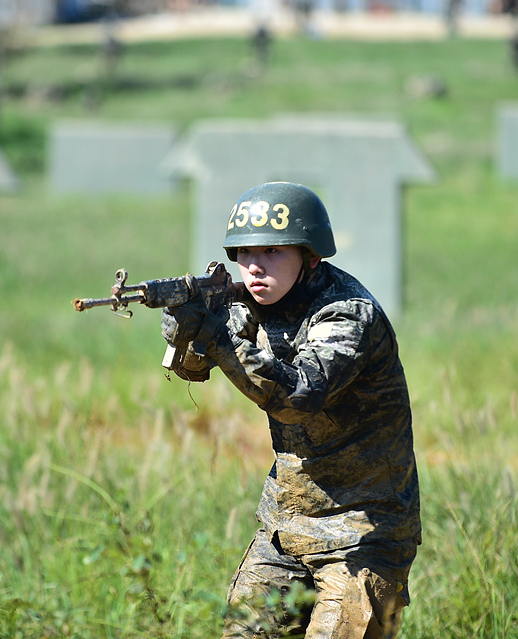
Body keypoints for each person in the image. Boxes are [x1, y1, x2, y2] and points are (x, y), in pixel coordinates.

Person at [161, 182, 422, 639]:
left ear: (311, 256)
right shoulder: (251, 301)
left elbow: (298, 397)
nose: (254, 266)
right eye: (243, 253)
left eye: (274, 251)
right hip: (284, 529)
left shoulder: (346, 315)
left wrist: (221, 338)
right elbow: (193, 372)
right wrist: (187, 333)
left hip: (364, 534)